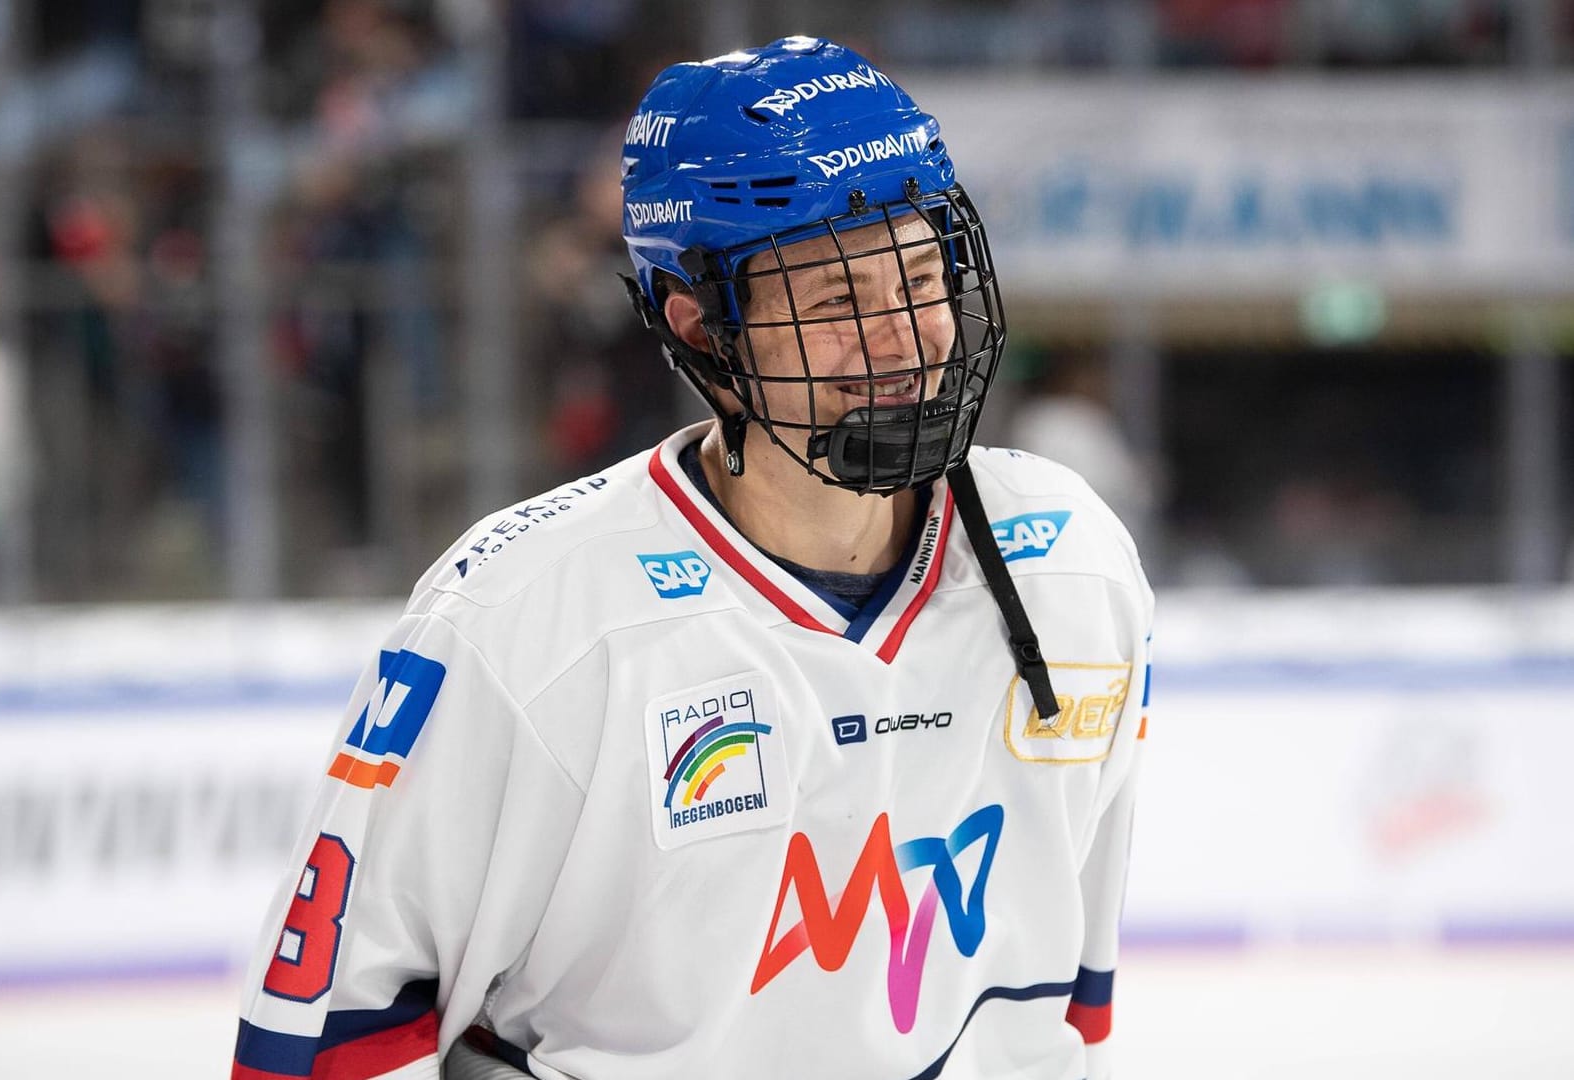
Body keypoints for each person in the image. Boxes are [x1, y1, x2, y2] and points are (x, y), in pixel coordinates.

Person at [232, 37, 1153, 1080]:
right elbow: (319, 1050)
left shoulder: (1071, 571)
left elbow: (1063, 1020)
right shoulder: (520, 625)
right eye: (837, 305)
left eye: (916, 276)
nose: (901, 337)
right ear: (702, 330)